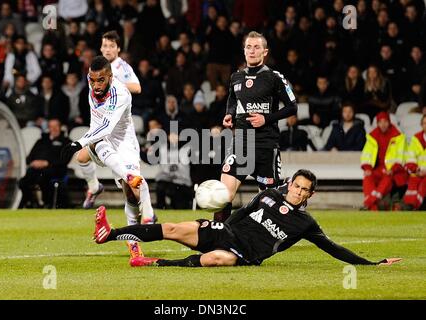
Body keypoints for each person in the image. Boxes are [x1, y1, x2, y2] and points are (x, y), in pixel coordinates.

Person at [93, 169, 401, 268]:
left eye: (304, 190)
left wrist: (372, 265)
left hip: (243, 253)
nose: (298, 192)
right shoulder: (270, 195)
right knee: (173, 227)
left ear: (310, 195)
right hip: (226, 232)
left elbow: (333, 248)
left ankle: (156, 263)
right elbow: (243, 211)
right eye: (296, 186)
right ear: (290, 185)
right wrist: (220, 223)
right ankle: (110, 233)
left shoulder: (305, 224)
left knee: (215, 260)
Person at [60, 56, 156, 260]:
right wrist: (84, 142)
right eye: (92, 80)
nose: (95, 85)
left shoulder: (120, 93)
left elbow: (107, 126)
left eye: (101, 80)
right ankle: (102, 184)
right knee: (88, 151)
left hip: (124, 144)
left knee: (132, 195)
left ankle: (135, 244)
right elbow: (98, 127)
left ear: (111, 77)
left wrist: (78, 142)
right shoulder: (92, 87)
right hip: (102, 142)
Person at [215, 31, 298, 222]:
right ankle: (217, 237)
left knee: (270, 204)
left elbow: (292, 107)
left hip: (266, 145)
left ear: (265, 52)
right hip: (241, 144)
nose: (252, 51)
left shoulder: (274, 77)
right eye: (248, 47)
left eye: (256, 47)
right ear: (244, 51)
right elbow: (233, 99)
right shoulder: (236, 77)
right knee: (223, 195)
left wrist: (266, 119)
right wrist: (229, 114)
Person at [360, 111, 408, 210]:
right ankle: (373, 206)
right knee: (367, 177)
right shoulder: (372, 136)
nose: (383, 124)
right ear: (377, 123)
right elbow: (366, 154)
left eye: (385, 121)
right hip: (378, 169)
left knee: (387, 177)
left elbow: (401, 158)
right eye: (380, 122)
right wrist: (367, 168)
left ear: (389, 122)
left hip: (392, 170)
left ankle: (369, 202)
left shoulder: (398, 137)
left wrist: (393, 169)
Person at [19, 119, 71, 208]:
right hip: (36, 169)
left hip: (55, 169)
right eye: (51, 126)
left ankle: (47, 203)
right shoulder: (41, 141)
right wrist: (32, 162)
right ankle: (29, 203)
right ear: (48, 128)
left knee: (42, 179)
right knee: (23, 181)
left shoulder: (66, 142)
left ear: (60, 127)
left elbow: (64, 160)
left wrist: (47, 163)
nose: (54, 129)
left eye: (56, 126)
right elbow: (30, 156)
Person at [402, 115, 426, 210]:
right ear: (421, 125)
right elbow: (410, 158)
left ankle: (416, 206)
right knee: (413, 181)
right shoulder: (416, 139)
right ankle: (409, 205)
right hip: (418, 171)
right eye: (425, 123)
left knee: (424, 184)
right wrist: (416, 169)